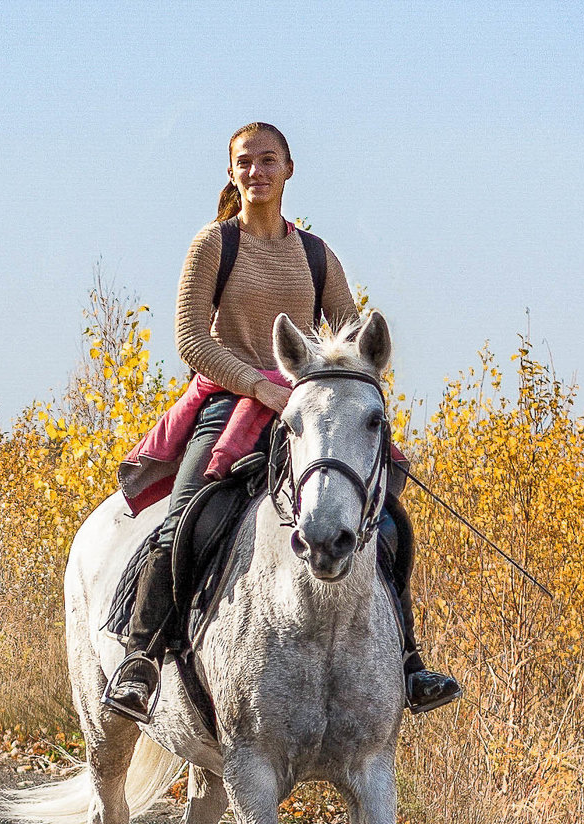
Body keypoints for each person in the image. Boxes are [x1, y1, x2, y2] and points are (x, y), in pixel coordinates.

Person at [103, 122, 459, 722]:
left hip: (309, 406)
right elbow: (191, 341)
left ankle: (407, 664)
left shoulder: (318, 254)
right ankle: (143, 659)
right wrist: (260, 386)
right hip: (228, 399)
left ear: (288, 169)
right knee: (186, 514)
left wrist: (333, 388)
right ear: (231, 172)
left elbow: (353, 341)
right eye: (245, 162)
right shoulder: (214, 244)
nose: (257, 172)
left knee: (387, 519)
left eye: (268, 161)